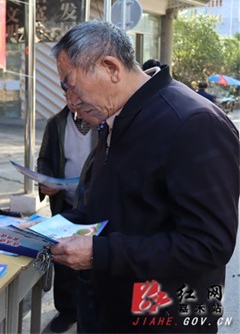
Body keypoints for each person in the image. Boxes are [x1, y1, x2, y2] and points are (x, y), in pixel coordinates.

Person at [49, 20, 239, 333]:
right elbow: (113, 203)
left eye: (71, 87)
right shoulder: (115, 119)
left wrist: (102, 252)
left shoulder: (193, 124)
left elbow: (208, 244)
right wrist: (54, 228)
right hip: (108, 309)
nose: (70, 103)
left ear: (111, 67)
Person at [36, 100, 96, 333]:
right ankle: (66, 310)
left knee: (91, 259)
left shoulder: (102, 120)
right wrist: (46, 181)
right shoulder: (56, 124)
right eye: (68, 91)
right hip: (66, 203)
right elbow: (44, 160)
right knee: (63, 258)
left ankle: (88, 309)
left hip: (94, 204)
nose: (74, 97)